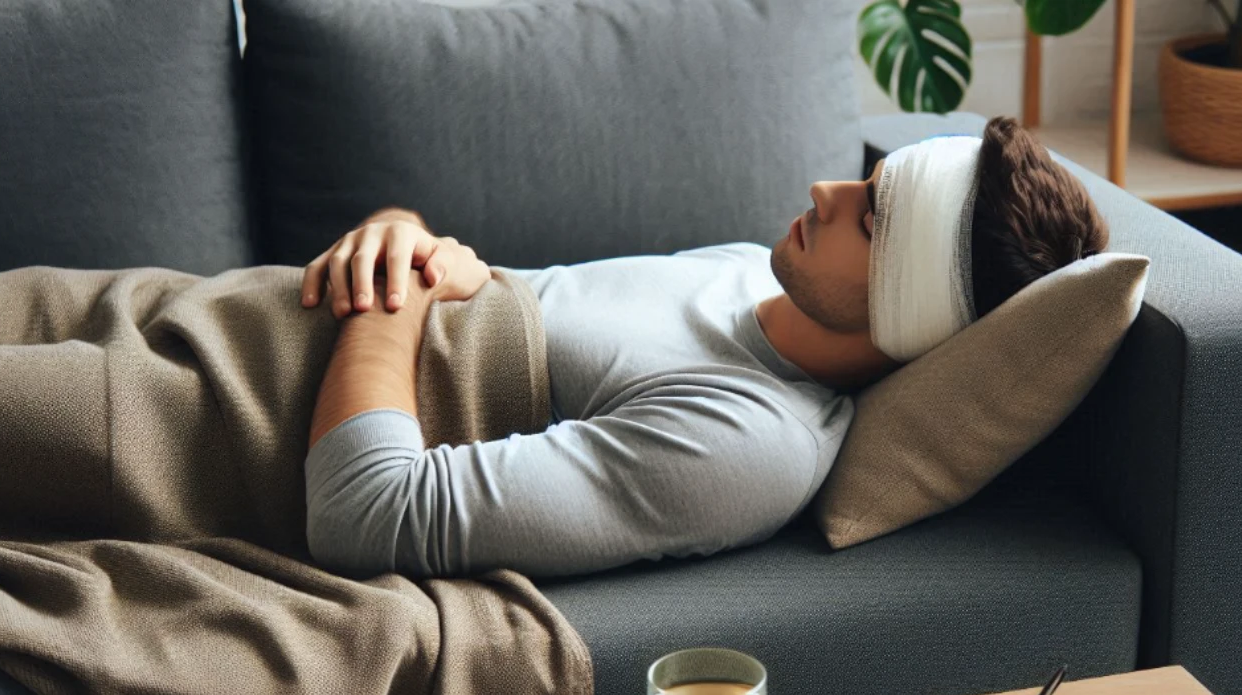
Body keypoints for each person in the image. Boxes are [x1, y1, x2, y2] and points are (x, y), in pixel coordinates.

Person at [303, 116, 1110, 580]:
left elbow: (367, 515)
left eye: (868, 216)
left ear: (914, 308)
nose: (823, 194)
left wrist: (392, 283)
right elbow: (469, 281)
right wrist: (402, 232)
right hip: (231, 311)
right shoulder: (744, 267)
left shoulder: (752, 440)